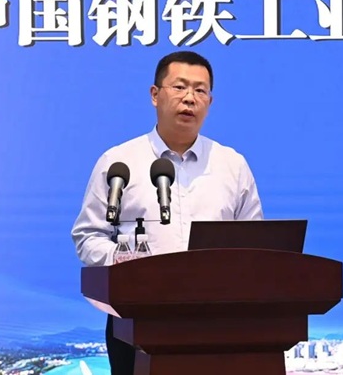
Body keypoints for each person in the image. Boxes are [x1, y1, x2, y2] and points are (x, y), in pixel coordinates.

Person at [71, 50, 263, 375]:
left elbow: (255, 244)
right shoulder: (119, 162)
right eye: (180, 87)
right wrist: (122, 261)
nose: (190, 98)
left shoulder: (232, 165)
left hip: (217, 321)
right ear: (155, 95)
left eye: (200, 90)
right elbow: (88, 235)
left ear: (210, 102)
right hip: (134, 318)